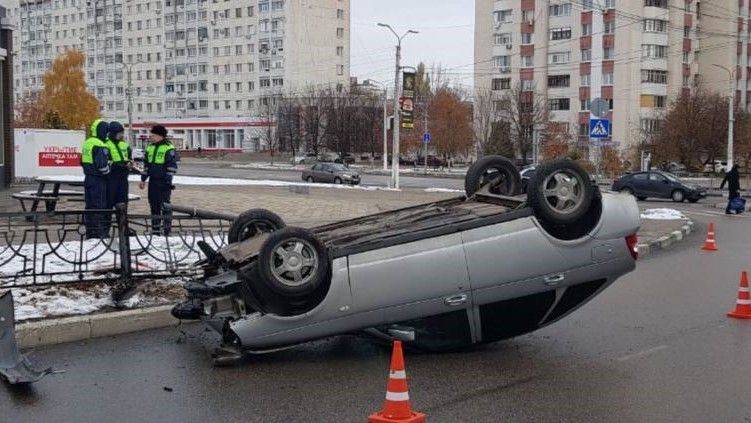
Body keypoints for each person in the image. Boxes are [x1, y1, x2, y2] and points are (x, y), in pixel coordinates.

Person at [139, 125, 178, 235]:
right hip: (153, 182)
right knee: (154, 206)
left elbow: (172, 166)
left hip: (164, 182)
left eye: (153, 135)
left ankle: (167, 230)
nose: (150, 137)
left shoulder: (168, 148)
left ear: (160, 136)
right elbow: (146, 166)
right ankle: (155, 230)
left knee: (165, 206)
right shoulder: (150, 148)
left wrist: (168, 180)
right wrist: (143, 180)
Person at [81, 119, 111, 238]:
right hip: (99, 180)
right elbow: (102, 165)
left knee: (90, 206)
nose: (107, 135)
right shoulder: (100, 144)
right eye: (106, 132)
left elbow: (82, 161)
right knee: (100, 205)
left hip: (88, 178)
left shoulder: (88, 142)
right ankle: (99, 233)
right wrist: (108, 172)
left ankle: (90, 231)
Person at [104, 121, 132, 209]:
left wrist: (130, 163)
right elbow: (105, 162)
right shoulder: (106, 144)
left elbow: (129, 158)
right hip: (111, 180)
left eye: (122, 133)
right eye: (119, 133)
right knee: (108, 205)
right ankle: (107, 223)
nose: (122, 135)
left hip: (123, 179)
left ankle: (122, 222)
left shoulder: (125, 145)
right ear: (112, 133)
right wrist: (119, 165)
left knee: (123, 205)